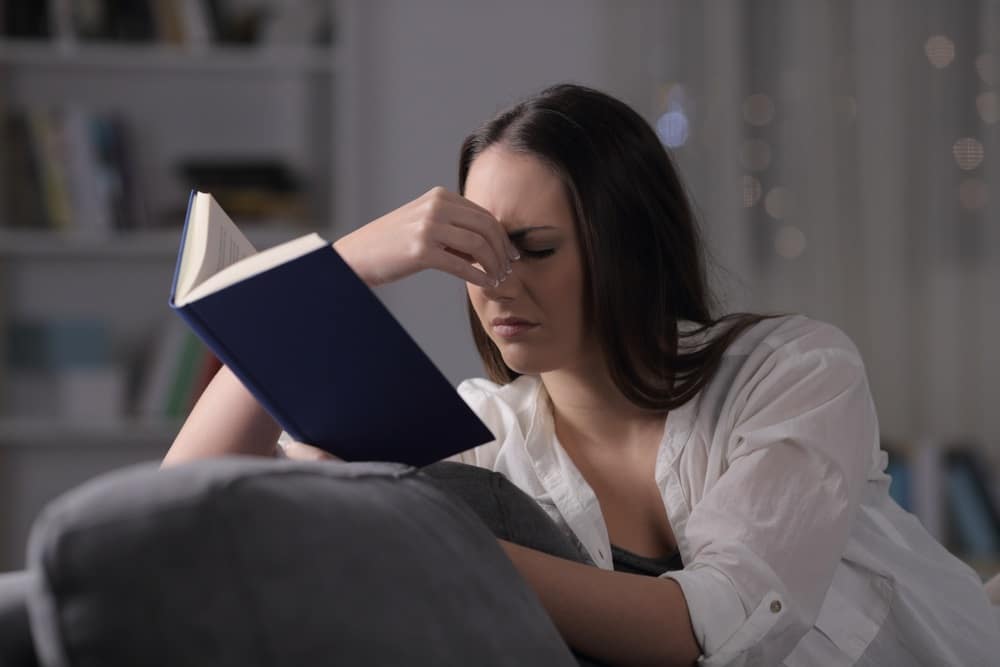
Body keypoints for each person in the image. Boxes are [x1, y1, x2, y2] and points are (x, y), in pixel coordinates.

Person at [163, 83, 1000, 666]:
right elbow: (179, 511)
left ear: (627, 247)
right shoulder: (486, 438)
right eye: (472, 251)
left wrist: (438, 542)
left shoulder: (794, 371)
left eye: (533, 249)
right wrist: (343, 269)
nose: (498, 284)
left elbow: (703, 628)